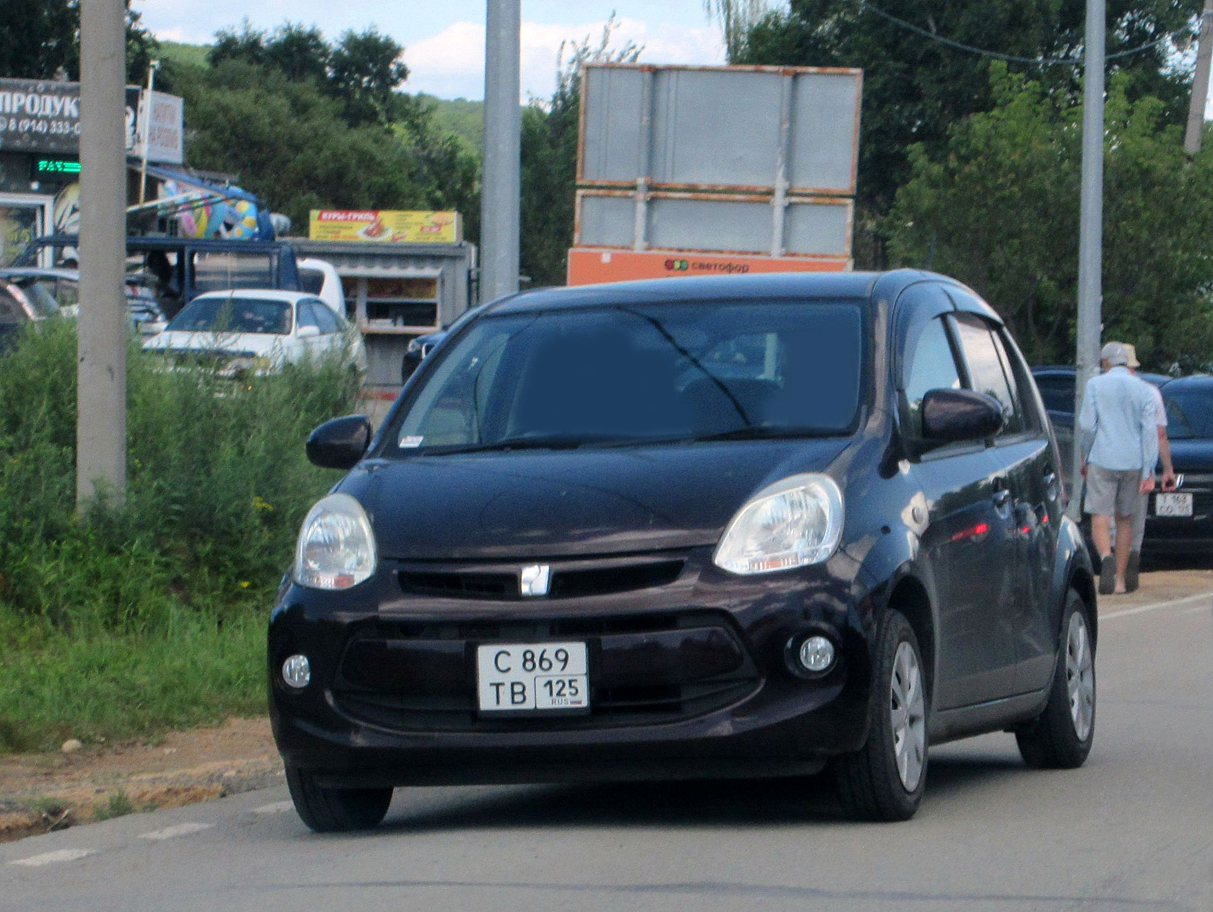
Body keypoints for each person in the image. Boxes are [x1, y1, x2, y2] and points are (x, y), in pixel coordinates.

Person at [1079, 341, 1159, 595]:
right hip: (1133, 461)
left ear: (1105, 362)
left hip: (1102, 457)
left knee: (1100, 514)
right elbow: (1150, 432)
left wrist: (1086, 456)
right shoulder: (1144, 390)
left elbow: (1087, 426)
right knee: (1125, 519)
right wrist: (1149, 470)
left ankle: (1105, 556)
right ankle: (1121, 581)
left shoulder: (1095, 385)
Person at [1119, 343, 1177, 591]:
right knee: (1135, 520)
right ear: (1133, 365)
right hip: (1140, 463)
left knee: (1113, 518)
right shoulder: (1150, 392)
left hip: (1108, 461)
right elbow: (1159, 434)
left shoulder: (1099, 388)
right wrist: (1167, 469)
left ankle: (1113, 564)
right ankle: (1131, 564)